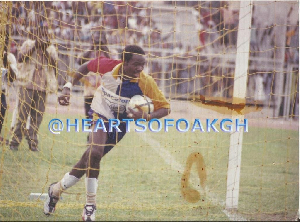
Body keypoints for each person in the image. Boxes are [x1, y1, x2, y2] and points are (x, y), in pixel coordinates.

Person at [43, 45, 171, 221]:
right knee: (95, 152)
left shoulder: (145, 81)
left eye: (143, 64)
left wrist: (146, 115)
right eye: (136, 64)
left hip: (120, 125)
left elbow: (165, 108)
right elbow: (84, 67)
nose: (140, 68)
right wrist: (67, 87)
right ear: (124, 62)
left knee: (88, 158)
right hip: (100, 113)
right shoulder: (108, 66)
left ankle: (55, 190)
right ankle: (90, 205)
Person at [9, 24, 58, 151]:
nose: (42, 36)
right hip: (27, 85)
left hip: (42, 88)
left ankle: (33, 143)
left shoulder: (51, 48)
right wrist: (35, 46)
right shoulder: (28, 44)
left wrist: (45, 50)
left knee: (38, 117)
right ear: (35, 33)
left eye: (44, 34)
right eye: (40, 33)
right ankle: (15, 142)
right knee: (22, 115)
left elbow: (55, 65)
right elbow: (20, 58)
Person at [0, 29, 19, 143]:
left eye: (5, 39)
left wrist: (6, 61)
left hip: (1, 90)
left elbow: (12, 78)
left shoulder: (10, 57)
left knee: (2, 108)